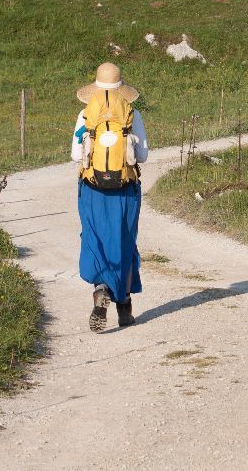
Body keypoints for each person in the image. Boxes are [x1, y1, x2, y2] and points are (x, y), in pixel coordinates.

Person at [70, 62, 149, 331]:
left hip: (92, 190)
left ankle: (101, 288)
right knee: (125, 242)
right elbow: (143, 156)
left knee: (95, 238)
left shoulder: (85, 114)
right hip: (125, 190)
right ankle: (124, 308)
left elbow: (74, 155)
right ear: (121, 88)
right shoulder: (131, 114)